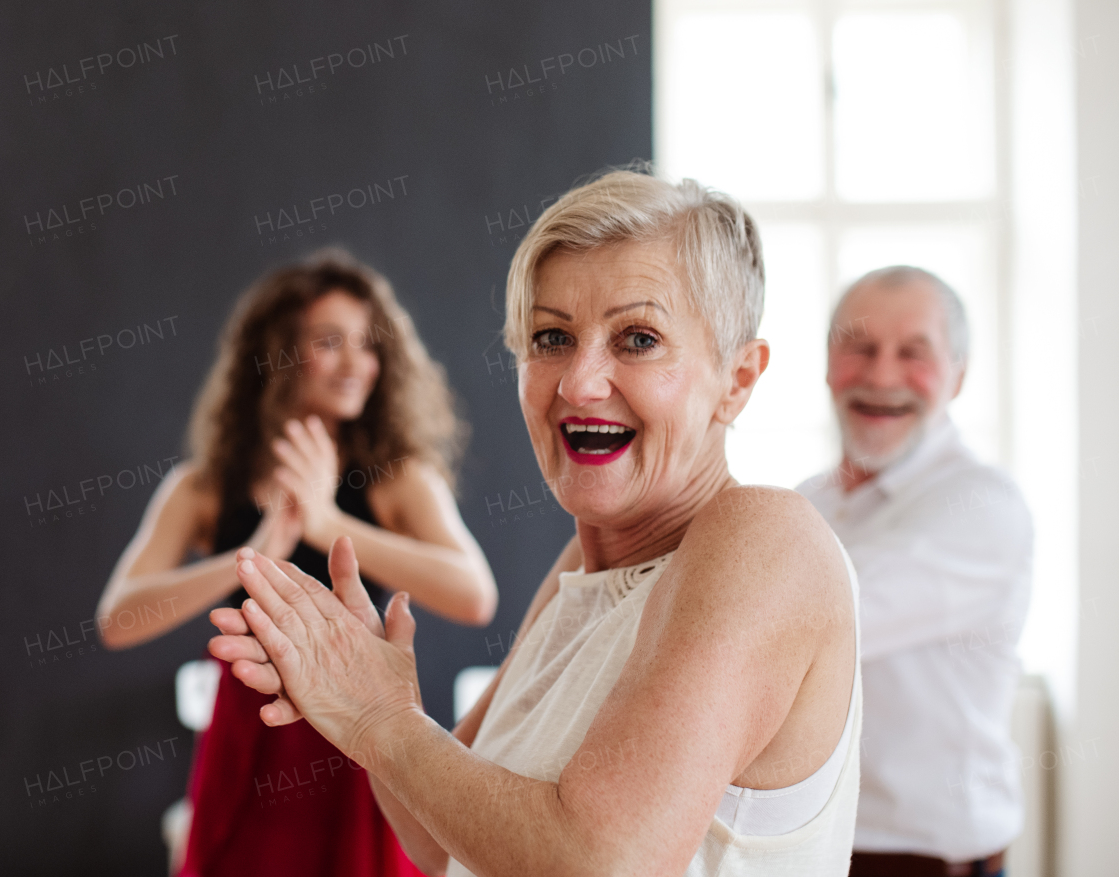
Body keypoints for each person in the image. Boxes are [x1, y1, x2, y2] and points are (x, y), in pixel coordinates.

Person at [208, 169, 863, 875]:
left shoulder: (766, 537)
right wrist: (368, 703)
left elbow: (599, 863)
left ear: (737, 380)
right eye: (552, 337)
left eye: (638, 338)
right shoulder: (582, 567)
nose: (579, 383)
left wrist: (381, 720)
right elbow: (442, 844)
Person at [95, 248, 498, 877]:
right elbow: (118, 621)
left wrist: (329, 524)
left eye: (367, 345)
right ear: (277, 354)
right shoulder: (202, 486)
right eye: (329, 342)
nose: (355, 363)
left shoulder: (399, 479)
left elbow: (474, 595)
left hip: (358, 722)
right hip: (248, 729)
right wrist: (252, 555)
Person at [796, 267, 1033, 877]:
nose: (881, 376)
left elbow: (819, 621)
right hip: (814, 855)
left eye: (913, 353)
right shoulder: (807, 503)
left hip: (926, 862)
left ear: (959, 373)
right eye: (861, 348)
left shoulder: (984, 506)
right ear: (828, 363)